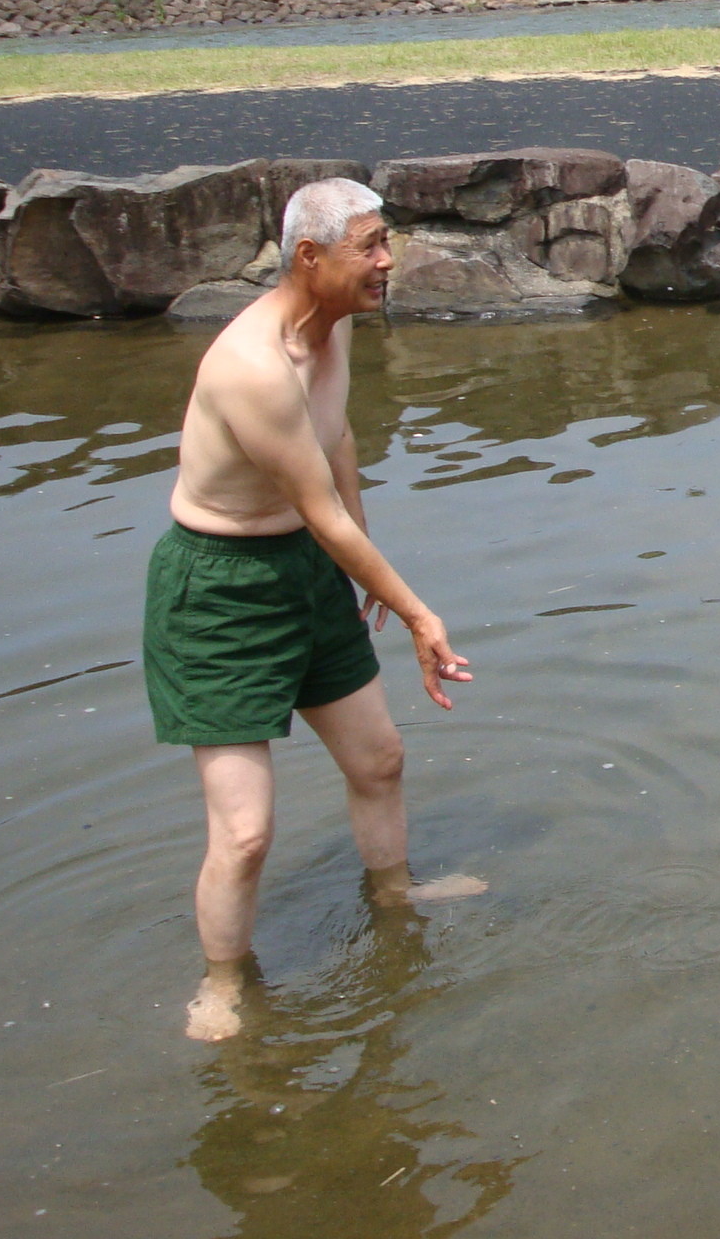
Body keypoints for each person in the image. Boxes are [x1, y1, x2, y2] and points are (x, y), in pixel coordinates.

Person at [145, 176, 482, 1042]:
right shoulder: (253, 366)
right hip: (219, 588)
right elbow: (321, 508)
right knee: (247, 831)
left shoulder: (332, 329)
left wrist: (366, 571)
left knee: (379, 759)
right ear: (309, 257)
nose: (386, 261)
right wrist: (414, 610)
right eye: (369, 246)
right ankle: (223, 983)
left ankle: (396, 900)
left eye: (385, 242)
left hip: (305, 562)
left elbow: (337, 446)